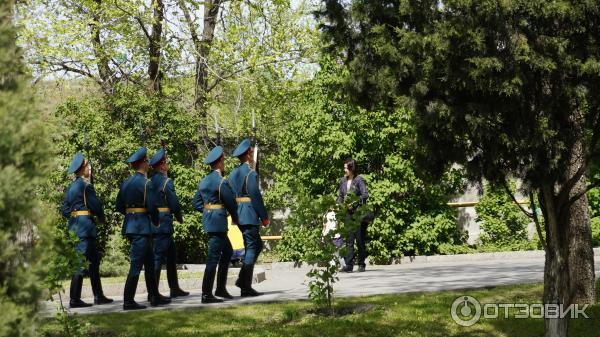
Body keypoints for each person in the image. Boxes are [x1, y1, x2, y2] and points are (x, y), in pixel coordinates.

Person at [116, 147, 171, 310]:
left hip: (132, 225)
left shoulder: (126, 182)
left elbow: (119, 206)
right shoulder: (146, 183)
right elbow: (152, 207)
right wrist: (156, 221)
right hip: (142, 227)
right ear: (143, 163)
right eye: (147, 161)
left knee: (148, 262)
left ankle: (154, 297)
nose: (148, 163)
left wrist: (131, 214)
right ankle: (128, 300)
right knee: (136, 265)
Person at [61, 152, 113, 308]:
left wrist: (75, 216)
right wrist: (101, 218)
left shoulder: (71, 187)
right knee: (80, 264)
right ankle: (75, 299)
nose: (89, 168)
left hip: (76, 228)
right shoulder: (86, 186)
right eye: (87, 166)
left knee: (94, 262)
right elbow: (96, 206)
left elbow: (64, 211)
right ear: (82, 168)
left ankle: (98, 295)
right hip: (85, 229)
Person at [192, 146, 239, 303]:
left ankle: (220, 288)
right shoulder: (221, 182)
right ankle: (206, 294)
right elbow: (231, 204)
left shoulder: (204, 181)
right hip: (218, 224)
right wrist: (231, 216)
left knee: (227, 251)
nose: (224, 163)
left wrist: (208, 211)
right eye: (223, 161)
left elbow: (196, 203)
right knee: (213, 258)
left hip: (210, 222)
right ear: (219, 162)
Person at [228, 138, 269, 297]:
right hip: (249, 213)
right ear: (248, 154)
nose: (252, 154)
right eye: (251, 152)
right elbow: (255, 196)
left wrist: (233, 213)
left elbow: (230, 194)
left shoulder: (233, 174)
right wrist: (264, 217)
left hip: (239, 214)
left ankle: (242, 280)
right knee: (253, 247)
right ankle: (245, 286)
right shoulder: (250, 173)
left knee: (255, 245)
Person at [148, 148, 189, 298]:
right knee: (158, 257)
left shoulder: (149, 181)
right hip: (163, 223)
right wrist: (179, 217)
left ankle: (174, 287)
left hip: (153, 222)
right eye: (166, 162)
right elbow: (174, 203)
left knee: (171, 255)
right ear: (162, 166)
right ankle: (153, 292)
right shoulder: (166, 182)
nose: (168, 165)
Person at [337, 159, 370, 273]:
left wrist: (354, 202)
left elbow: (365, 194)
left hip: (358, 214)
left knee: (360, 240)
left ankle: (361, 264)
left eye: (346, 168)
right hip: (347, 214)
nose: (344, 169)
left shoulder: (359, 179)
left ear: (352, 168)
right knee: (349, 240)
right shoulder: (342, 181)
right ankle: (349, 265)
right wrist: (337, 206)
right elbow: (340, 196)